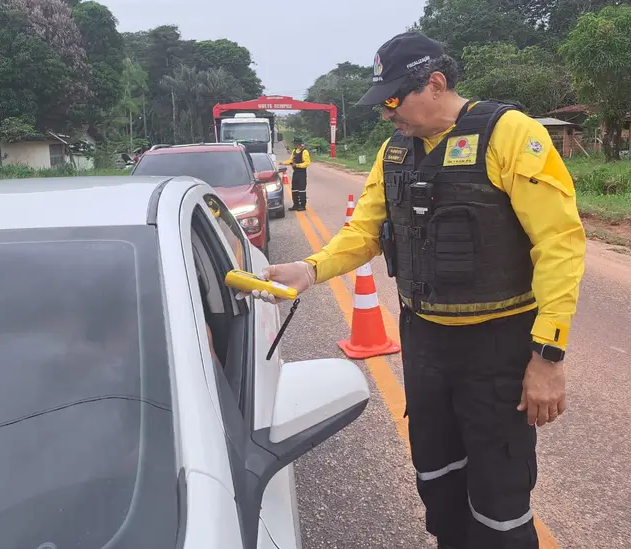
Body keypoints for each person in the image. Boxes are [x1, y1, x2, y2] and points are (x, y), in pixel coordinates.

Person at [244, 31, 586, 549]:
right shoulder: (396, 151)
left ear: (436, 83)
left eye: (393, 99)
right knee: (437, 479)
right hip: (425, 344)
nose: (387, 114)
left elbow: (559, 245)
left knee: (499, 498)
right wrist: (311, 269)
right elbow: (366, 232)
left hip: (497, 348)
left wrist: (548, 356)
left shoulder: (511, 135)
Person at [282, 135, 311, 211]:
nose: (294, 144)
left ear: (299, 143)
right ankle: (295, 204)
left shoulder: (304, 151)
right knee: (294, 189)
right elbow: (291, 160)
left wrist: (297, 165)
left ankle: (302, 205)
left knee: (301, 189)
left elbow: (307, 163)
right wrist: (283, 163)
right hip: (296, 172)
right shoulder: (294, 151)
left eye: (295, 143)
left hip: (302, 173)